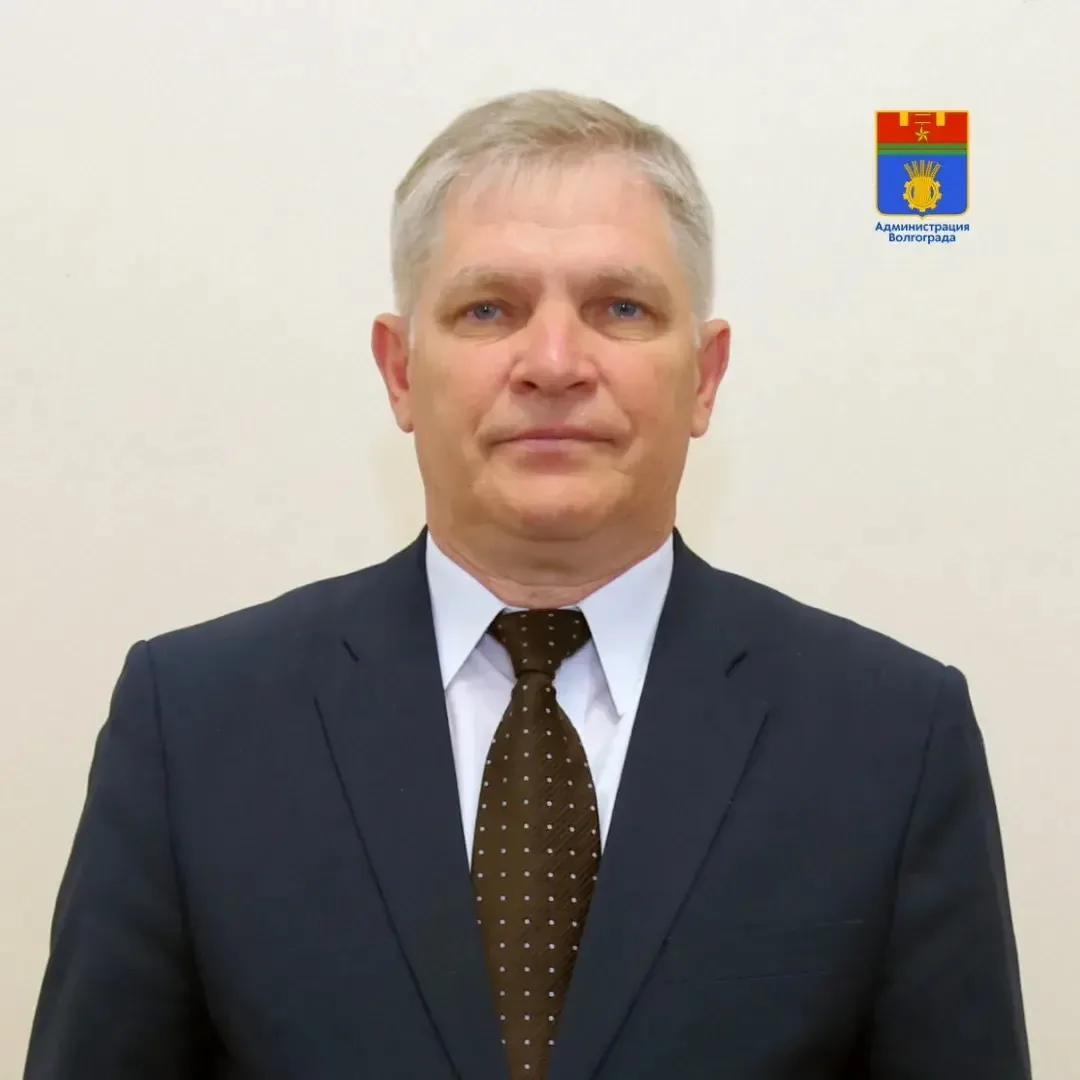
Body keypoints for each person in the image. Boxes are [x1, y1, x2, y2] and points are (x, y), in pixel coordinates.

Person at [23, 88, 1031, 1080]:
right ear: (400, 371)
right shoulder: (192, 725)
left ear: (707, 375)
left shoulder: (893, 738)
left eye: (620, 307)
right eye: (489, 308)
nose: (553, 363)